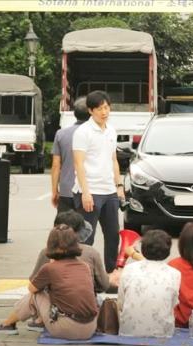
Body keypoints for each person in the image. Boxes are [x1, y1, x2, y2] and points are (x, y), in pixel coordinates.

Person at [0, 225, 98, 339]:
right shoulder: (84, 266)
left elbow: (31, 289)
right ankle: (39, 322)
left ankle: (8, 324)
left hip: (67, 329)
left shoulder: (50, 268)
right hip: (90, 327)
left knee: (36, 295)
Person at [72, 90, 125, 273]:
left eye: (107, 107)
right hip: (90, 191)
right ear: (90, 110)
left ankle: (110, 273)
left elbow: (114, 160)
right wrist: (85, 192)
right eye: (100, 108)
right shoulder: (83, 132)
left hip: (109, 191)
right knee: (87, 237)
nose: (105, 112)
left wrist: (119, 186)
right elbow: (78, 163)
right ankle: (84, 273)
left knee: (113, 235)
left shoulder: (111, 130)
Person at [118, 230, 180, 338]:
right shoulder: (175, 274)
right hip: (163, 335)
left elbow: (121, 303)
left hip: (128, 333)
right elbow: (173, 304)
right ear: (168, 251)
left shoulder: (129, 269)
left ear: (143, 249)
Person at [31, 210, 109, 294]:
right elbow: (104, 285)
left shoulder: (47, 253)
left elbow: (34, 284)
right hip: (86, 302)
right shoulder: (91, 252)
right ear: (80, 231)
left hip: (55, 302)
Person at [51, 97, 90, 213]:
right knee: (85, 228)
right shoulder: (95, 134)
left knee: (64, 228)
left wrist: (54, 191)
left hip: (66, 190)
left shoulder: (61, 134)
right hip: (89, 191)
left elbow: (56, 166)